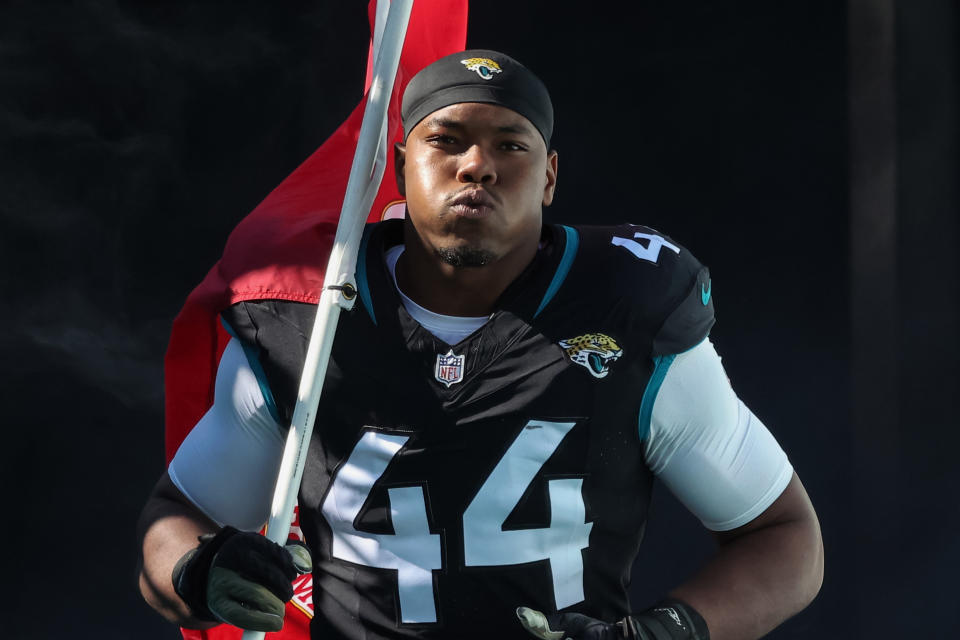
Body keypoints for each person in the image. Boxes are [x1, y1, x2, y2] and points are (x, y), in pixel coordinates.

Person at [138, 49, 823, 640]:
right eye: (447, 140)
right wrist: (201, 570)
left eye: (509, 144)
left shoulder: (624, 311)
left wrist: (666, 632)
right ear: (402, 167)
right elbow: (175, 522)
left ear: (549, 177)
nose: (477, 166)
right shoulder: (308, 325)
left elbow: (785, 538)